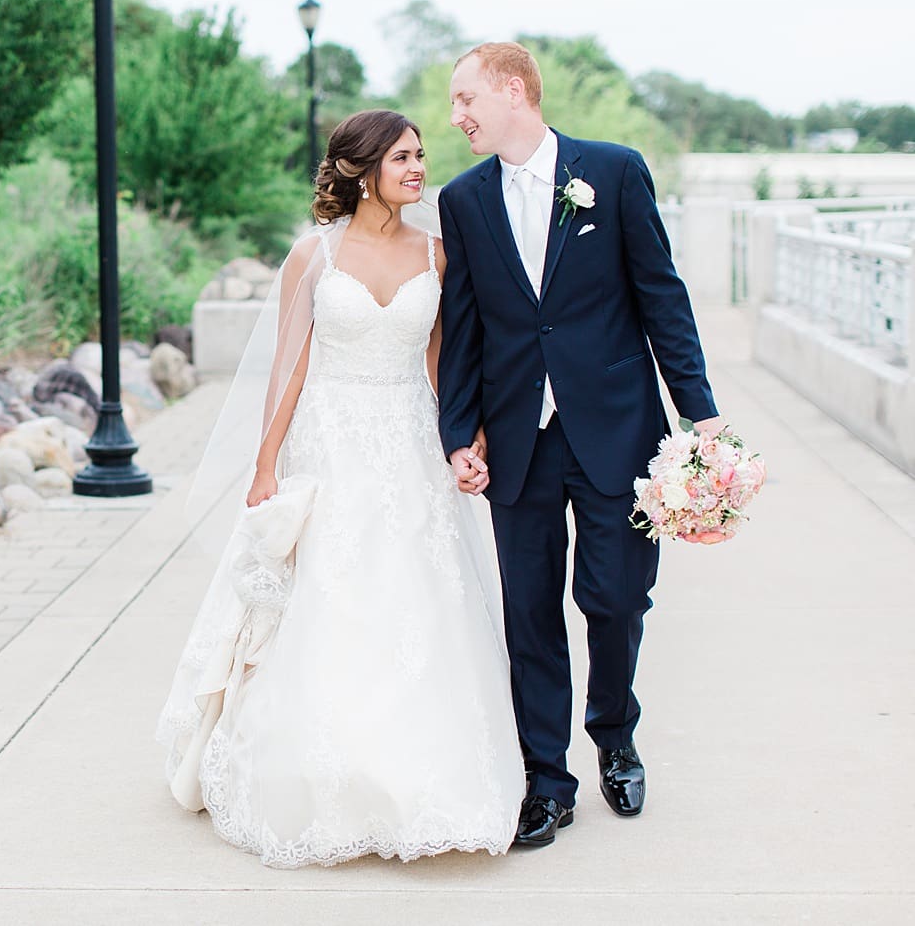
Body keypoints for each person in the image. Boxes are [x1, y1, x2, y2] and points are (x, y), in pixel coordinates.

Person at [158, 110, 523, 869]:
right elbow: (289, 366)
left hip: (411, 443)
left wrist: (463, 438)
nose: (418, 168)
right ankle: (320, 772)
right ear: (361, 169)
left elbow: (439, 362)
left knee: (418, 600)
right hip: (329, 442)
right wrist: (265, 465)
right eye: (402, 157)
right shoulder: (312, 256)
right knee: (331, 595)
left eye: (421, 155)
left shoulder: (438, 253)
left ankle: (419, 775)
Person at [437, 42, 721, 847]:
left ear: (513, 89)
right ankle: (546, 780)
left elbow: (661, 296)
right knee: (527, 612)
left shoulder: (615, 170)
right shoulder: (463, 201)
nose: (455, 116)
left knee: (616, 599)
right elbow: (463, 327)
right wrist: (458, 433)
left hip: (616, 431)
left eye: (465, 99)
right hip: (519, 443)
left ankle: (615, 733)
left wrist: (699, 415)